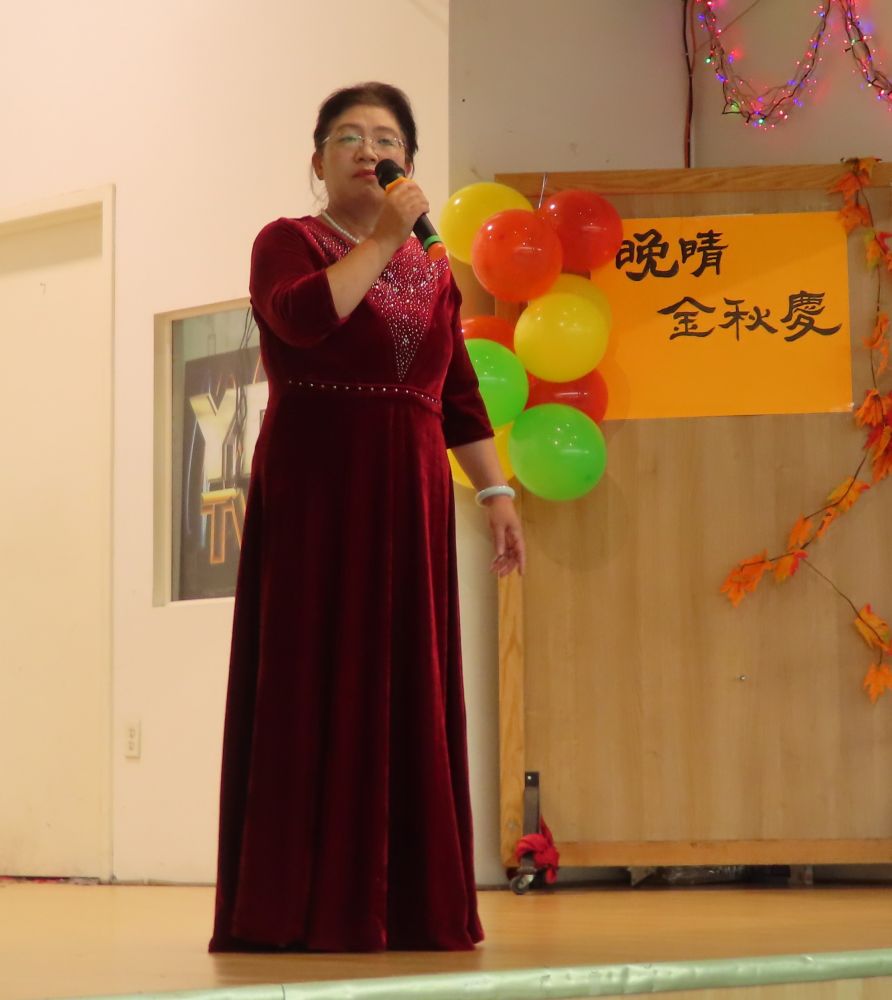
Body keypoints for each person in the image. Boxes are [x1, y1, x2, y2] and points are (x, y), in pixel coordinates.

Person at [209, 81, 525, 954]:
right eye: (347, 137)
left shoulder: (435, 268)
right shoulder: (287, 241)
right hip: (318, 485)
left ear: (408, 163)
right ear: (317, 161)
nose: (367, 150)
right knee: (312, 678)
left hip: (411, 493)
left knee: (404, 683)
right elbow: (302, 316)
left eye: (385, 139)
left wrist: (496, 493)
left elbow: (457, 391)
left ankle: (412, 903)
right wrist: (385, 239)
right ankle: (296, 906)